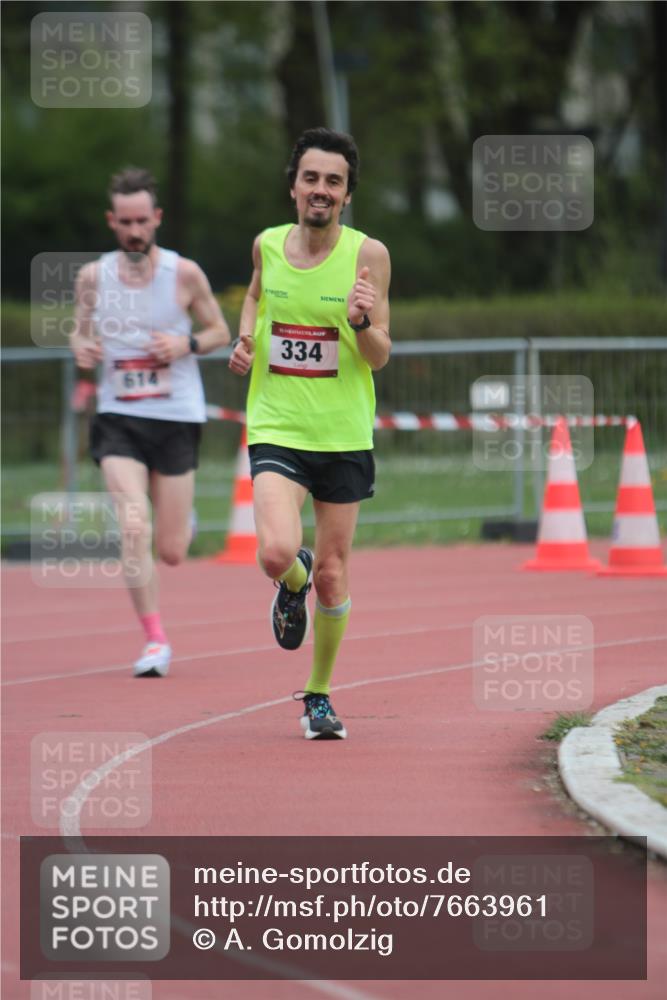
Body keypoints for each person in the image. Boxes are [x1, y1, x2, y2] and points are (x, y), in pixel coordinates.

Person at [229, 127, 391, 739]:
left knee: (332, 572)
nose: (320, 190)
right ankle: (287, 582)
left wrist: (362, 321)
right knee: (275, 552)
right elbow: (252, 299)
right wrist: (245, 338)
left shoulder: (368, 255)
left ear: (347, 195)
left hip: (344, 434)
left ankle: (318, 696)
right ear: (293, 186)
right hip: (278, 423)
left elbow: (378, 356)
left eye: (334, 181)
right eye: (311, 178)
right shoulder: (266, 246)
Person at [70, 167, 231, 677]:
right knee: (133, 525)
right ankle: (155, 640)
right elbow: (77, 336)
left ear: (157, 218)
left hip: (175, 416)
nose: (135, 230)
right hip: (120, 418)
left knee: (173, 550)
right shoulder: (93, 277)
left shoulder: (184, 274)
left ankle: (181, 523)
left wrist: (183, 344)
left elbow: (220, 331)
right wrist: (83, 349)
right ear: (111, 222)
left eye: (143, 220)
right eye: (125, 222)